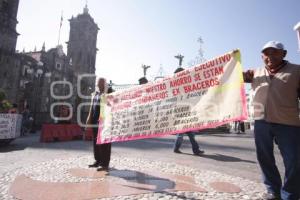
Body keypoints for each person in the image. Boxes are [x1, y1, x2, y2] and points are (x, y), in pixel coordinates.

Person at [244, 41, 300, 200]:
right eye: (266, 53)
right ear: (262, 56)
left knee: (294, 161)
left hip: (288, 123)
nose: (270, 56)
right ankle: (272, 190)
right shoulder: (255, 72)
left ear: (284, 54)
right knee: (264, 158)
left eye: (275, 52)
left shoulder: (297, 70)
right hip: (261, 122)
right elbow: (232, 77)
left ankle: (290, 193)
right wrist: (231, 61)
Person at [173, 67, 205, 155]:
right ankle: (194, 149)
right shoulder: (176, 85)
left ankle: (179, 148)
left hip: (187, 112)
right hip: (181, 113)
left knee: (187, 133)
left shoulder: (184, 84)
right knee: (184, 134)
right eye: (183, 73)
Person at [86, 78, 112, 171]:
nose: (99, 85)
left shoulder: (110, 92)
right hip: (94, 121)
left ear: (105, 84)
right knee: (96, 142)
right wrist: (88, 119)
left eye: (101, 83)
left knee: (105, 143)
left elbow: (113, 105)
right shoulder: (96, 94)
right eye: (98, 83)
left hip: (105, 122)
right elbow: (91, 107)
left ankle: (105, 164)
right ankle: (98, 161)